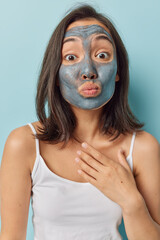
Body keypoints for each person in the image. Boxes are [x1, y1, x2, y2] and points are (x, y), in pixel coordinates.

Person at [0, 4, 160, 240]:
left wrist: (130, 200)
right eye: (71, 57)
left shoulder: (143, 148)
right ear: (55, 73)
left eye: (102, 55)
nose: (88, 71)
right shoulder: (24, 144)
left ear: (118, 71)